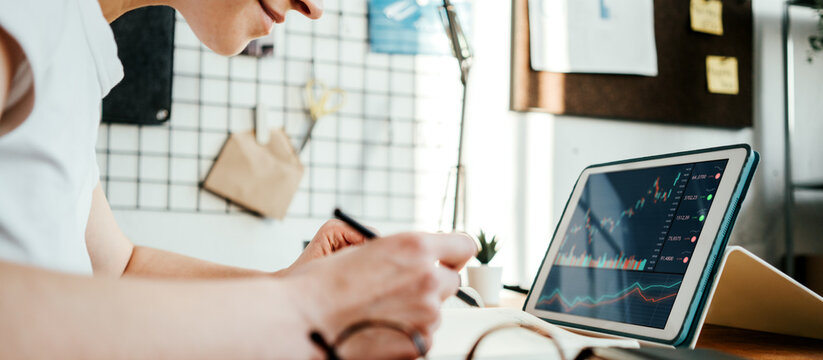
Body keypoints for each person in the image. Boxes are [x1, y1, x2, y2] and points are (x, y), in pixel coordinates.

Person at [0, 0, 476, 358]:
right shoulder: (26, 16)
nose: (313, 7)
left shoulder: (72, 40)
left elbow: (119, 266)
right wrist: (308, 307)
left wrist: (292, 283)